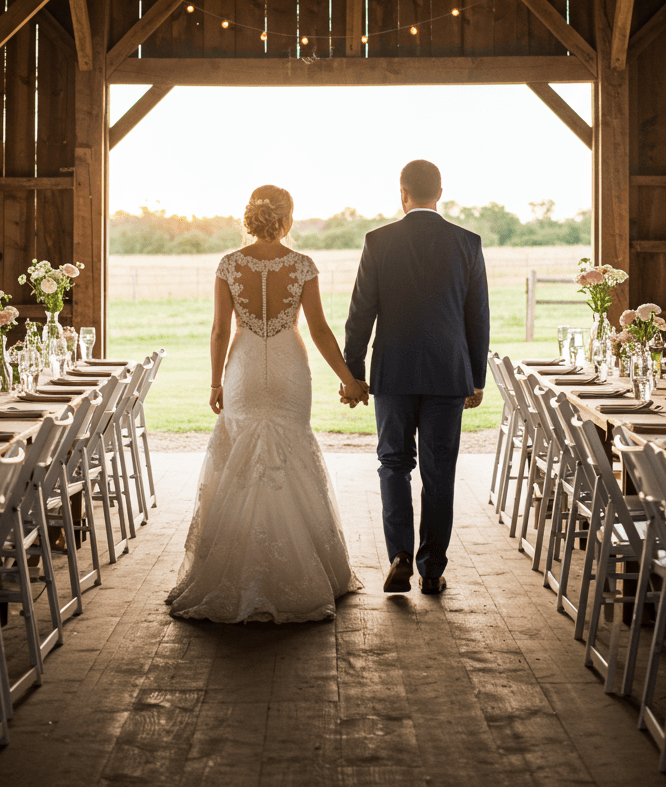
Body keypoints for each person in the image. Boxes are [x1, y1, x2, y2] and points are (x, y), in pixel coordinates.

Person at [166, 184, 368, 624]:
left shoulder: (228, 265)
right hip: (289, 367)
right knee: (291, 449)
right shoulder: (302, 266)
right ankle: (308, 570)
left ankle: (233, 570)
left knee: (239, 453)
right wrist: (349, 379)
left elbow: (220, 330)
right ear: (287, 217)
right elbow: (318, 330)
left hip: (242, 368)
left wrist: (216, 382)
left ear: (250, 217)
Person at [343, 160, 490, 596]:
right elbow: (476, 317)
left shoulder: (378, 241)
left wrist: (354, 374)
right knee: (439, 471)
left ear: (402, 193)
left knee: (393, 464)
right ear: (439, 192)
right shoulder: (467, 243)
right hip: (449, 373)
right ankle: (431, 571)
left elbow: (360, 314)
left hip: (394, 373)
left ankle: (399, 556)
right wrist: (475, 378)